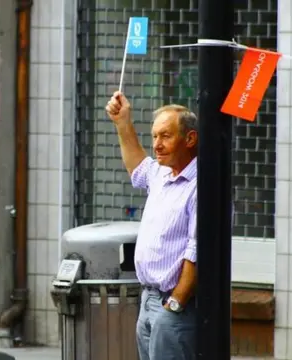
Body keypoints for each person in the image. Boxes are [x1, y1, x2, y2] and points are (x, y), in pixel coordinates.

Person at [106, 92, 198, 360]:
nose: (157, 144)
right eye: (155, 136)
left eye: (166, 136)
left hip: (175, 305)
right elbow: (137, 167)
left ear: (189, 139)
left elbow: (198, 250)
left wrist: (176, 303)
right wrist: (123, 123)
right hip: (149, 299)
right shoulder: (161, 173)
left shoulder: (200, 186)